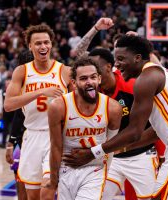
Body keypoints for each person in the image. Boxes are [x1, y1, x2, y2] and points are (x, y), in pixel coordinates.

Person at [87, 35, 168, 199]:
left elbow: (134, 131)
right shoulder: (157, 73)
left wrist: (95, 151)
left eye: (120, 59)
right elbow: (155, 132)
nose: (116, 64)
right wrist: (123, 148)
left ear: (137, 58)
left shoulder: (146, 78)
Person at [4, 24, 70, 200]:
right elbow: (8, 105)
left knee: (47, 191)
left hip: (55, 136)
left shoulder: (64, 71)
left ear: (51, 44)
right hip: (31, 136)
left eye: (46, 42)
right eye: (38, 43)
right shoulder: (22, 72)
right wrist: (41, 92)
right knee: (32, 196)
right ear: (30, 46)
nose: (43, 47)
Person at [46, 56, 122, 200]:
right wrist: (53, 179)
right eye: (84, 78)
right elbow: (55, 146)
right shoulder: (58, 106)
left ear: (99, 79)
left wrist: (106, 172)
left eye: (93, 77)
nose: (89, 82)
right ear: (74, 83)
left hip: (95, 169)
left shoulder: (113, 108)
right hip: (66, 167)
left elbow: (110, 146)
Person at [5, 49, 34, 200]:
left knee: (24, 182)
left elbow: (17, 115)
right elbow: (17, 114)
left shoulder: (23, 83)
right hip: (25, 139)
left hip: (28, 139)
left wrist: (11, 143)